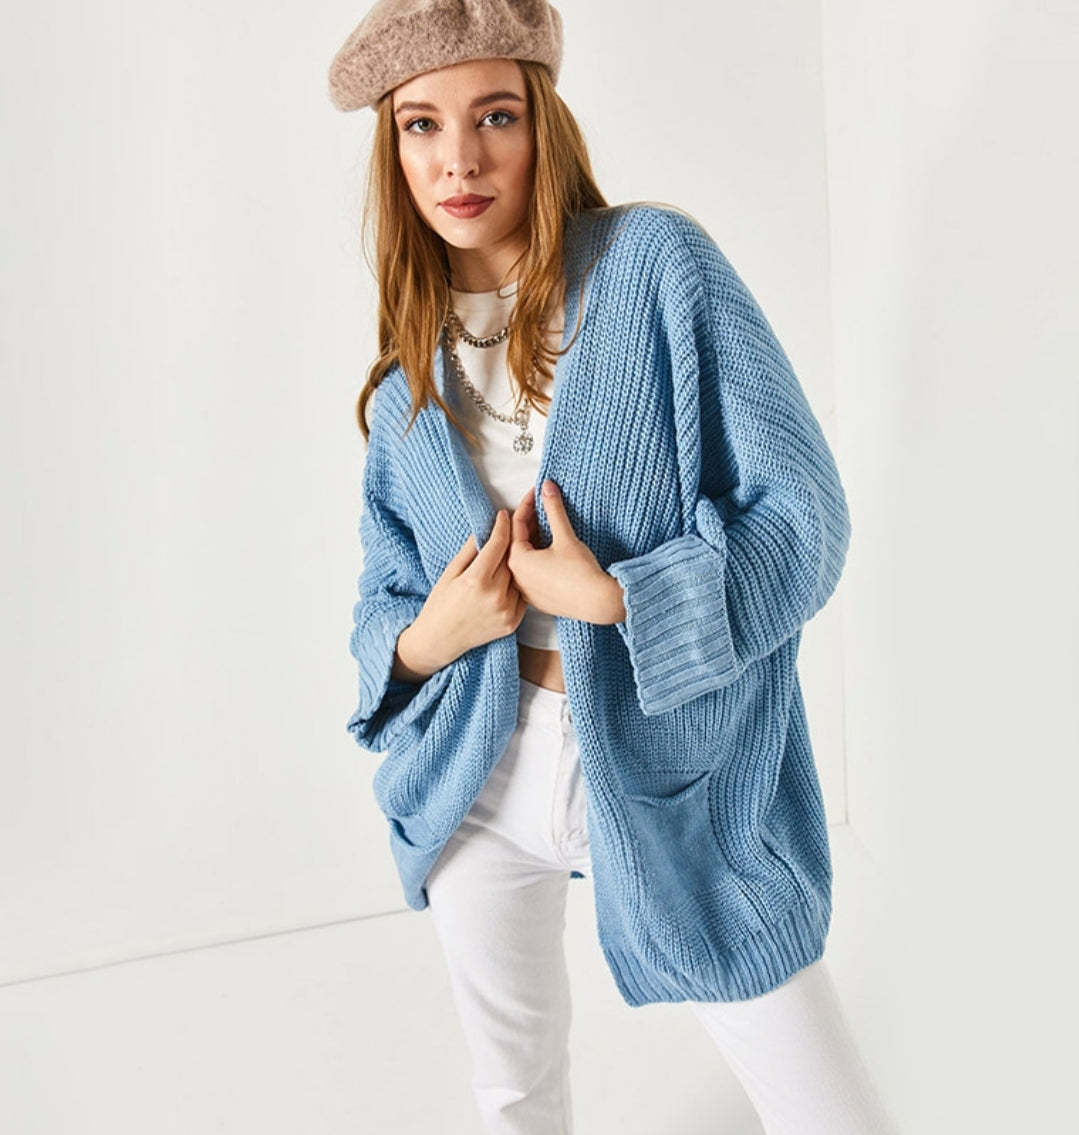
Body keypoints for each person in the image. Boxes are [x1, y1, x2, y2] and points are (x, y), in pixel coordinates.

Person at [328, 3, 899, 1133]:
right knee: (513, 1099)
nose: (459, 159)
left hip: (672, 764)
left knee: (826, 1109)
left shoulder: (652, 268)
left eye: (494, 115)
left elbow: (804, 517)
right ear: (391, 152)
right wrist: (438, 633)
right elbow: (381, 606)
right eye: (421, 125)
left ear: (541, 121)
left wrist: (612, 597)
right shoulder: (406, 385)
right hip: (477, 781)